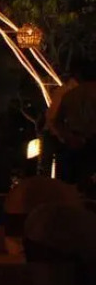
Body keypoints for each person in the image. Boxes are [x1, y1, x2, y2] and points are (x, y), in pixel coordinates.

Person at [52, 59, 96, 195]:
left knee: (73, 184)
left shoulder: (70, 95)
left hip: (74, 140)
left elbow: (56, 121)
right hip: (92, 140)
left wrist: (68, 137)